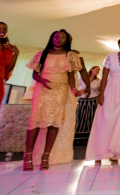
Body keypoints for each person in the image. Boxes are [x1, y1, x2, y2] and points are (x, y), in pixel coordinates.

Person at [23, 30, 81, 171]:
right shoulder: (42, 53)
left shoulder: (71, 55)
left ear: (66, 40)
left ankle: (46, 157)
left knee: (54, 122)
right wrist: (43, 80)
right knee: (35, 120)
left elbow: (71, 76)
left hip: (60, 89)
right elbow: (35, 74)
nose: (59, 39)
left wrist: (73, 89)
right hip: (42, 88)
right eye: (56, 36)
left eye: (63, 37)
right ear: (52, 38)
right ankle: (28, 156)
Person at [32, 33, 90, 166]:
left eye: (66, 38)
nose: (62, 40)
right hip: (55, 83)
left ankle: (61, 151)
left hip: (69, 84)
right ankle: (41, 153)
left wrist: (86, 85)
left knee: (65, 117)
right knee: (47, 116)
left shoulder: (75, 54)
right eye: (60, 37)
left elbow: (83, 71)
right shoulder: (49, 54)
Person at [85, 36, 120, 165]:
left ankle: (114, 153)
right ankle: (98, 154)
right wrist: (101, 94)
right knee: (103, 121)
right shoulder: (110, 57)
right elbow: (104, 77)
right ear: (119, 43)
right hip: (110, 90)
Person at [75, 65, 101, 142]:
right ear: (92, 69)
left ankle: (88, 138)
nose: (98, 71)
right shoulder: (82, 79)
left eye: (99, 70)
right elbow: (75, 88)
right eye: (96, 69)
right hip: (82, 101)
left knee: (90, 118)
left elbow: (99, 92)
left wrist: (98, 90)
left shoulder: (98, 81)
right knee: (80, 117)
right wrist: (80, 91)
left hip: (92, 101)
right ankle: (78, 138)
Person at [0, 22, 19, 107]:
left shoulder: (7, 49)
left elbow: (8, 69)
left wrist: (16, 53)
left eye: (5, 29)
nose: (2, 31)